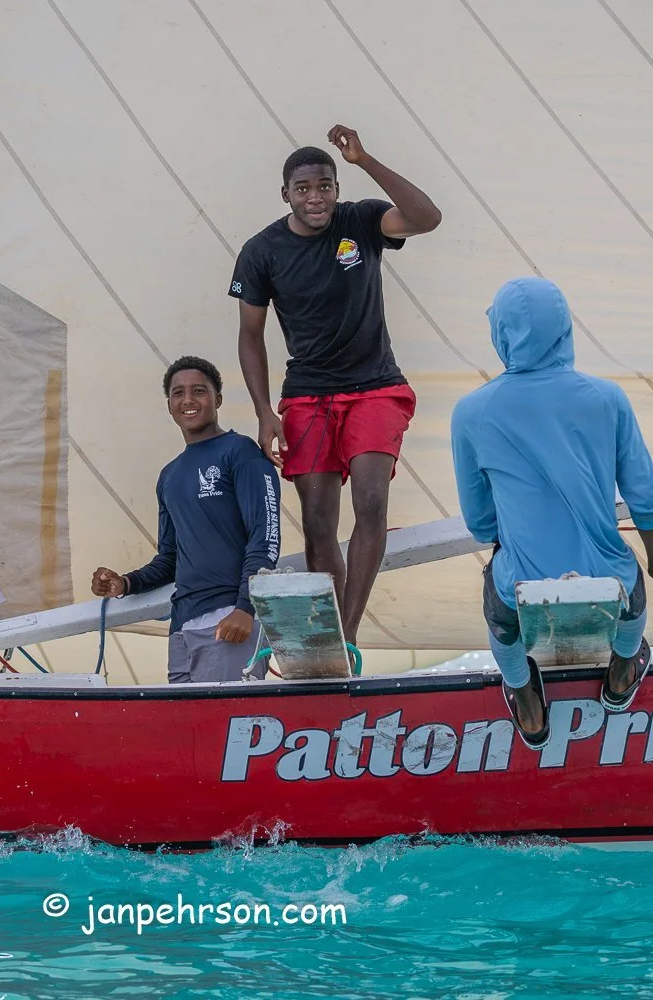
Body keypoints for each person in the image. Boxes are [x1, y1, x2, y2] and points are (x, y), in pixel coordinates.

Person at [452, 277, 653, 749]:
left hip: (521, 581)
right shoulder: (607, 398)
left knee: (499, 611)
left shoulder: (471, 411)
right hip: (606, 576)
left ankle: (526, 700)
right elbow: (646, 498)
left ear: (502, 334)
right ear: (564, 330)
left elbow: (480, 524)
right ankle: (621, 676)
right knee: (632, 589)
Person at [231, 126, 441, 644]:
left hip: (375, 386)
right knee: (319, 523)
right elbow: (250, 338)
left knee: (371, 505)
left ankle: (344, 639)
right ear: (286, 195)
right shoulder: (261, 251)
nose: (315, 197)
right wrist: (263, 411)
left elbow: (426, 218)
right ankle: (330, 634)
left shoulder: (362, 220)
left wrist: (365, 158)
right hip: (307, 394)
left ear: (337, 189)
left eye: (325, 185)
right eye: (303, 188)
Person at [90, 357, 281, 683]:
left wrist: (246, 608)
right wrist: (124, 584)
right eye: (178, 393)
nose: (188, 400)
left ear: (217, 399)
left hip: (230, 620)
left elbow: (266, 535)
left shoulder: (241, 452)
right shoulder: (169, 475)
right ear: (169, 405)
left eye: (199, 391)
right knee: (189, 732)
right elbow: (170, 559)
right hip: (182, 630)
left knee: (222, 726)